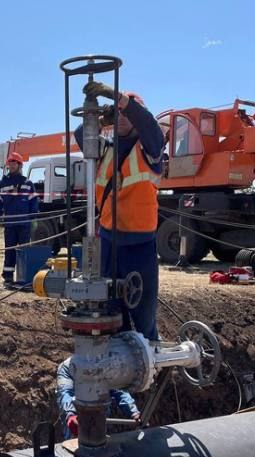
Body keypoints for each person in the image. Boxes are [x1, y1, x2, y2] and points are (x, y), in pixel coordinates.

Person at [75, 82, 165, 343]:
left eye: (127, 113)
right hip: (109, 244)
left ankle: (150, 359)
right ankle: (119, 363)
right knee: (113, 314)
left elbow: (150, 126)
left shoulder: (151, 149)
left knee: (144, 316)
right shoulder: (104, 150)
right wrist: (101, 119)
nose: (122, 118)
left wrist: (120, 98)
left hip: (140, 246)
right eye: (118, 114)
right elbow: (80, 134)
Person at [56, 357, 140, 440]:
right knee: (75, 442)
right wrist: (71, 414)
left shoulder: (106, 366)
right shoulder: (67, 368)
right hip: (77, 417)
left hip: (101, 413)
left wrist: (133, 412)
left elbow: (118, 390)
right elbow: (65, 393)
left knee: (101, 441)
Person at [0, 152, 38, 285]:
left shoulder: (28, 183)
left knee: (24, 250)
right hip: (10, 223)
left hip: (24, 223)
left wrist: (33, 216)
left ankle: (24, 276)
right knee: (9, 249)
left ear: (20, 165)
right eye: (10, 163)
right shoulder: (3, 183)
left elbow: (33, 200)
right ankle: (8, 275)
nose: (12, 166)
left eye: (14, 163)